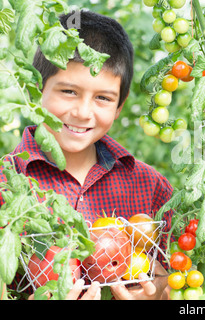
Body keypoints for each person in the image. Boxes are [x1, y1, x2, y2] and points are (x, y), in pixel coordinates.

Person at [0, 10, 173, 300]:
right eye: (68, 91)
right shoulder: (7, 185)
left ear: (119, 106)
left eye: (103, 98)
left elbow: (169, 283)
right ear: (34, 90)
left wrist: (157, 295)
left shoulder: (150, 187)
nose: (82, 112)